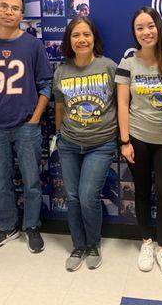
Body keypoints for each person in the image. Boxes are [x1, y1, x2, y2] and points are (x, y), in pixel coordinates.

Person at [0, 0, 52, 253]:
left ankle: (31, 225)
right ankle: (7, 225)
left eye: (15, 8)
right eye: (4, 6)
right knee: (1, 180)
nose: (9, 12)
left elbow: (45, 85)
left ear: (22, 14)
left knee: (31, 181)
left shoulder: (33, 45)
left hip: (26, 125)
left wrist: (35, 119)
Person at [116, 7, 162, 280]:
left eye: (151, 26)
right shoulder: (128, 63)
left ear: (159, 28)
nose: (146, 32)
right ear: (134, 33)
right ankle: (146, 243)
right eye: (140, 28)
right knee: (142, 191)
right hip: (138, 139)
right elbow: (122, 103)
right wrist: (124, 141)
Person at [53, 16, 118, 271]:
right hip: (69, 142)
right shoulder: (62, 70)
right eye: (76, 35)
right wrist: (58, 135)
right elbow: (59, 106)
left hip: (100, 144)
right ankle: (78, 245)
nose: (81, 40)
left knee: (87, 196)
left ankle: (93, 244)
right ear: (69, 40)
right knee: (71, 197)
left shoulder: (109, 67)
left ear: (94, 39)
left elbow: (123, 103)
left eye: (86, 35)